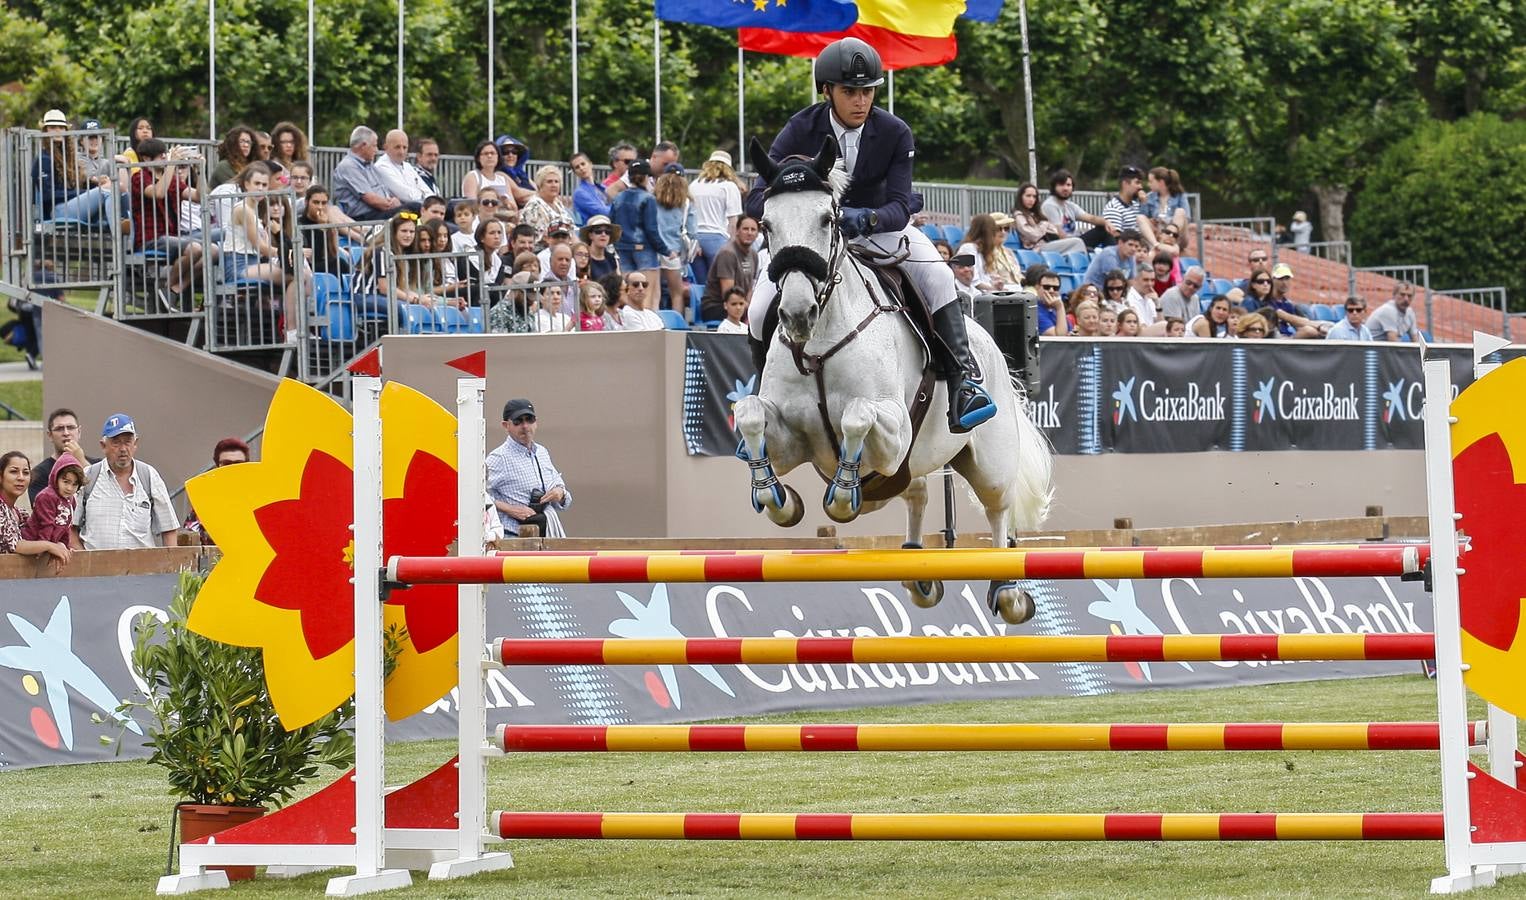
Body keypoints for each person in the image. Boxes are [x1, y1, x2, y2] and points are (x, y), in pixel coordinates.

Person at [744, 37, 994, 432]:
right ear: (826, 91)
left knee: (940, 277)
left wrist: (869, 219)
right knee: (759, 308)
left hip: (878, 231)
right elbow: (757, 198)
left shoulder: (895, 132)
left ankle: (965, 382)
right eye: (850, 92)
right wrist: (798, 199)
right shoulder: (799, 128)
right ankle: (762, 392)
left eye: (868, 91)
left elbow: (900, 203)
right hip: (811, 239)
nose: (861, 101)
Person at [72, 414, 180, 550]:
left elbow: (169, 528)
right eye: (116, 442)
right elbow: (70, 529)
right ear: (103, 446)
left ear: (135, 444)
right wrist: (85, 564)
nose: (123, 449)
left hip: (142, 569)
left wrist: (169, 567)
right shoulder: (88, 476)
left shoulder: (149, 476)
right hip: (96, 569)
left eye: (127, 442)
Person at [130, 138, 206, 298]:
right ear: (146, 159)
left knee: (212, 251)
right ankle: (166, 287)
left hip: (172, 238)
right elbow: (158, 193)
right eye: (160, 156)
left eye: (165, 154)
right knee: (196, 249)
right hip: (149, 239)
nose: (165, 158)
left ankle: (173, 289)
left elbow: (199, 197)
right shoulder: (139, 177)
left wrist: (200, 170)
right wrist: (172, 164)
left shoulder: (171, 179)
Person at [486, 399, 571, 537]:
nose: (525, 426)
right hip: (512, 536)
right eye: (518, 421)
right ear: (506, 425)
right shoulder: (499, 458)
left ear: (536, 422)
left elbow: (563, 495)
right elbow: (474, 494)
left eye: (529, 419)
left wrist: (560, 493)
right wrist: (510, 509)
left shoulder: (542, 452)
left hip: (545, 532)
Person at [1, 451, 71, 569]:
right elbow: (15, 545)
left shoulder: (21, 514)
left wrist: (60, 544)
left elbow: (34, 540)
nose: (21, 478)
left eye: (26, 472)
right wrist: (50, 546)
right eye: (14, 472)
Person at [333, 126, 416, 221]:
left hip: (378, 212)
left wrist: (394, 200)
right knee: (414, 208)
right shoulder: (349, 166)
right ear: (363, 146)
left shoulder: (369, 165)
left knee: (419, 209)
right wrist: (392, 204)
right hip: (364, 217)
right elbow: (372, 200)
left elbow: (384, 189)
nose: (376, 150)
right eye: (374, 145)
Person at [609, 159, 667, 297]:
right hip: (644, 249)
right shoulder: (648, 199)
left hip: (623, 248)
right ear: (647, 177)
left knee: (628, 293)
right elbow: (651, 229)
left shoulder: (618, 198)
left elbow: (612, 224)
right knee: (649, 295)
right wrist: (665, 250)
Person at [689, 150, 745, 289]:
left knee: (701, 287)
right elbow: (733, 221)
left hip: (695, 240)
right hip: (717, 238)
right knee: (723, 287)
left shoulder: (694, 184)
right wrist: (733, 246)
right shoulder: (729, 186)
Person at [181, 437, 250, 545]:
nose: (232, 469)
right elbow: (191, 538)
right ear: (217, 466)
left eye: (238, 463)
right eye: (227, 464)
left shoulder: (259, 496)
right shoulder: (204, 501)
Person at [29, 409, 96, 505]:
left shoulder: (98, 465)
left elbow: (104, 496)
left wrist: (81, 460)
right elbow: (42, 510)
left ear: (79, 432)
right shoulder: (39, 473)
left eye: (71, 427)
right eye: (60, 429)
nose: (66, 433)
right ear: (50, 435)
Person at [699, 214, 759, 322]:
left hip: (739, 305)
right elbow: (728, 293)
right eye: (745, 229)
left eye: (753, 230)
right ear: (737, 231)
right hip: (717, 306)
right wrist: (747, 309)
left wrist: (750, 307)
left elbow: (750, 287)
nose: (749, 233)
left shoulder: (754, 255)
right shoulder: (728, 253)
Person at [653, 170, 696, 311]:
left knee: (654, 293)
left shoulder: (652, 200)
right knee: (676, 294)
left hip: (654, 251)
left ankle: (654, 323)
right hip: (673, 252)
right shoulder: (687, 203)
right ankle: (678, 326)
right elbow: (692, 231)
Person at [21, 448, 82, 546]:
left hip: (51, 545)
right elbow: (46, 524)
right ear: (55, 477)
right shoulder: (46, 496)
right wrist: (45, 548)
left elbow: (67, 526)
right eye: (66, 482)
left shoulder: (71, 500)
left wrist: (64, 544)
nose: (70, 488)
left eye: (74, 484)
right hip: (33, 542)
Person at [1042, 168, 1111, 249]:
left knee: (1103, 229)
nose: (1065, 188)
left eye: (1068, 185)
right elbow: (1059, 235)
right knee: (1082, 240)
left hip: (1074, 242)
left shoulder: (1070, 206)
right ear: (1054, 187)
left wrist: (1107, 223)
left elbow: (1091, 218)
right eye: (1061, 184)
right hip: (1059, 246)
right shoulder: (1050, 205)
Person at [1012, 182, 1086, 254]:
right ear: (1020, 197)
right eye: (1028, 196)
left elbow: (1054, 230)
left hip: (1047, 243)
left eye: (1034, 196)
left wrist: (1042, 227)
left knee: (1079, 246)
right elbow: (1034, 235)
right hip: (1037, 249)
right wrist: (1044, 225)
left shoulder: (1035, 214)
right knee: (1077, 242)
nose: (1031, 199)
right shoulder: (1019, 216)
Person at [957, 213, 1022, 292]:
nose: (1003, 232)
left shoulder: (982, 250)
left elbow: (985, 278)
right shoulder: (969, 248)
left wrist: (996, 284)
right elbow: (974, 282)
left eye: (1006, 228)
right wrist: (994, 289)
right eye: (996, 229)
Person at [1267, 263, 1328, 339]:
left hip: (1288, 337)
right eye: (1280, 279)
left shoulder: (1287, 303)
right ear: (1273, 280)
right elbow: (1288, 318)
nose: (1284, 282)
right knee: (1310, 330)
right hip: (1276, 338)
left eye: (1287, 278)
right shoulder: (1267, 300)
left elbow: (1296, 325)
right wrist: (1317, 325)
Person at [520, 165, 576, 246]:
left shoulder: (558, 204)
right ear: (540, 185)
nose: (554, 185)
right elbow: (540, 238)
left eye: (556, 182)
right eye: (549, 181)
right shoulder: (534, 206)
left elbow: (571, 230)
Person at [374, 129, 430, 204]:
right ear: (386, 147)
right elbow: (406, 195)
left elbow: (428, 192)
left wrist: (427, 198)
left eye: (405, 147)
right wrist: (423, 195)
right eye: (397, 147)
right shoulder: (381, 167)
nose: (402, 152)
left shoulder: (408, 166)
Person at [1100, 166, 1147, 248]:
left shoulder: (1137, 205)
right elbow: (1116, 240)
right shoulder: (1114, 207)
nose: (1141, 187)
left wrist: (1144, 204)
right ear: (1125, 184)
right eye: (1137, 183)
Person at [1141, 166, 1189, 239]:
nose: (1148, 184)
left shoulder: (1180, 196)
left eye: (1151, 181)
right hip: (1158, 234)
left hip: (1177, 237)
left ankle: (1170, 235)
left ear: (1161, 182)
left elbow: (1187, 218)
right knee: (1140, 218)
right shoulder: (1149, 197)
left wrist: (1166, 220)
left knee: (1180, 211)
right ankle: (1159, 242)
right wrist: (1143, 203)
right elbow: (1143, 221)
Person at [208, 125, 257, 189]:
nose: (246, 145)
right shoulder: (224, 165)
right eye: (241, 141)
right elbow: (240, 189)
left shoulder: (251, 164)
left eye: (248, 142)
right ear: (232, 143)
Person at [1025, 265, 1068, 336]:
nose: (1051, 290)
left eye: (1055, 288)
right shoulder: (1033, 309)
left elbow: (1069, 332)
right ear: (1037, 287)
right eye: (1046, 287)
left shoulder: (1055, 309)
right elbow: (1059, 337)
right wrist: (1060, 308)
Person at [494, 135, 536, 205]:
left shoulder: (522, 174)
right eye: (505, 152)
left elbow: (538, 190)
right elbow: (519, 195)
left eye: (514, 152)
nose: (510, 155)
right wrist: (543, 195)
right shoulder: (499, 174)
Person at [568, 151, 609, 224]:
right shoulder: (580, 193)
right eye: (577, 167)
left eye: (583, 164)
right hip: (594, 231)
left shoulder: (602, 187)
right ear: (575, 173)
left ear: (590, 164)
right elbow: (602, 212)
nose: (581, 168)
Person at [580, 214, 622, 281]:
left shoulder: (612, 259)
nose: (603, 234)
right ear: (590, 235)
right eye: (598, 231)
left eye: (607, 232)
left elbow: (620, 284)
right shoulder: (584, 258)